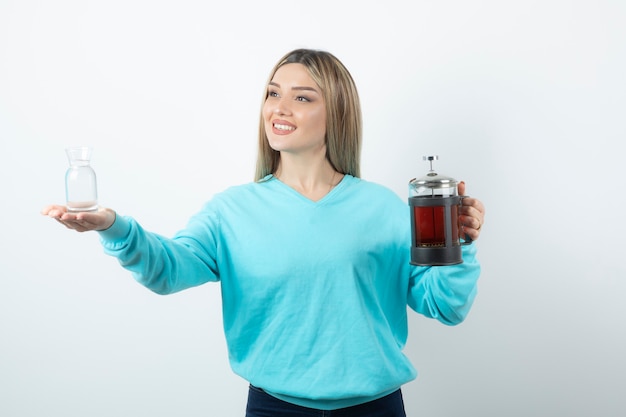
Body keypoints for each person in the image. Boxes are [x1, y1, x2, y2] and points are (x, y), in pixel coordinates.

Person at [42, 48, 485, 417]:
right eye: (273, 93)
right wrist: (115, 228)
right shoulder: (232, 210)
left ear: (337, 112)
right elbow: (166, 270)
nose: (279, 107)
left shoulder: (383, 208)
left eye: (302, 98)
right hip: (274, 408)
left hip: (376, 408)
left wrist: (459, 240)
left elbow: (445, 306)